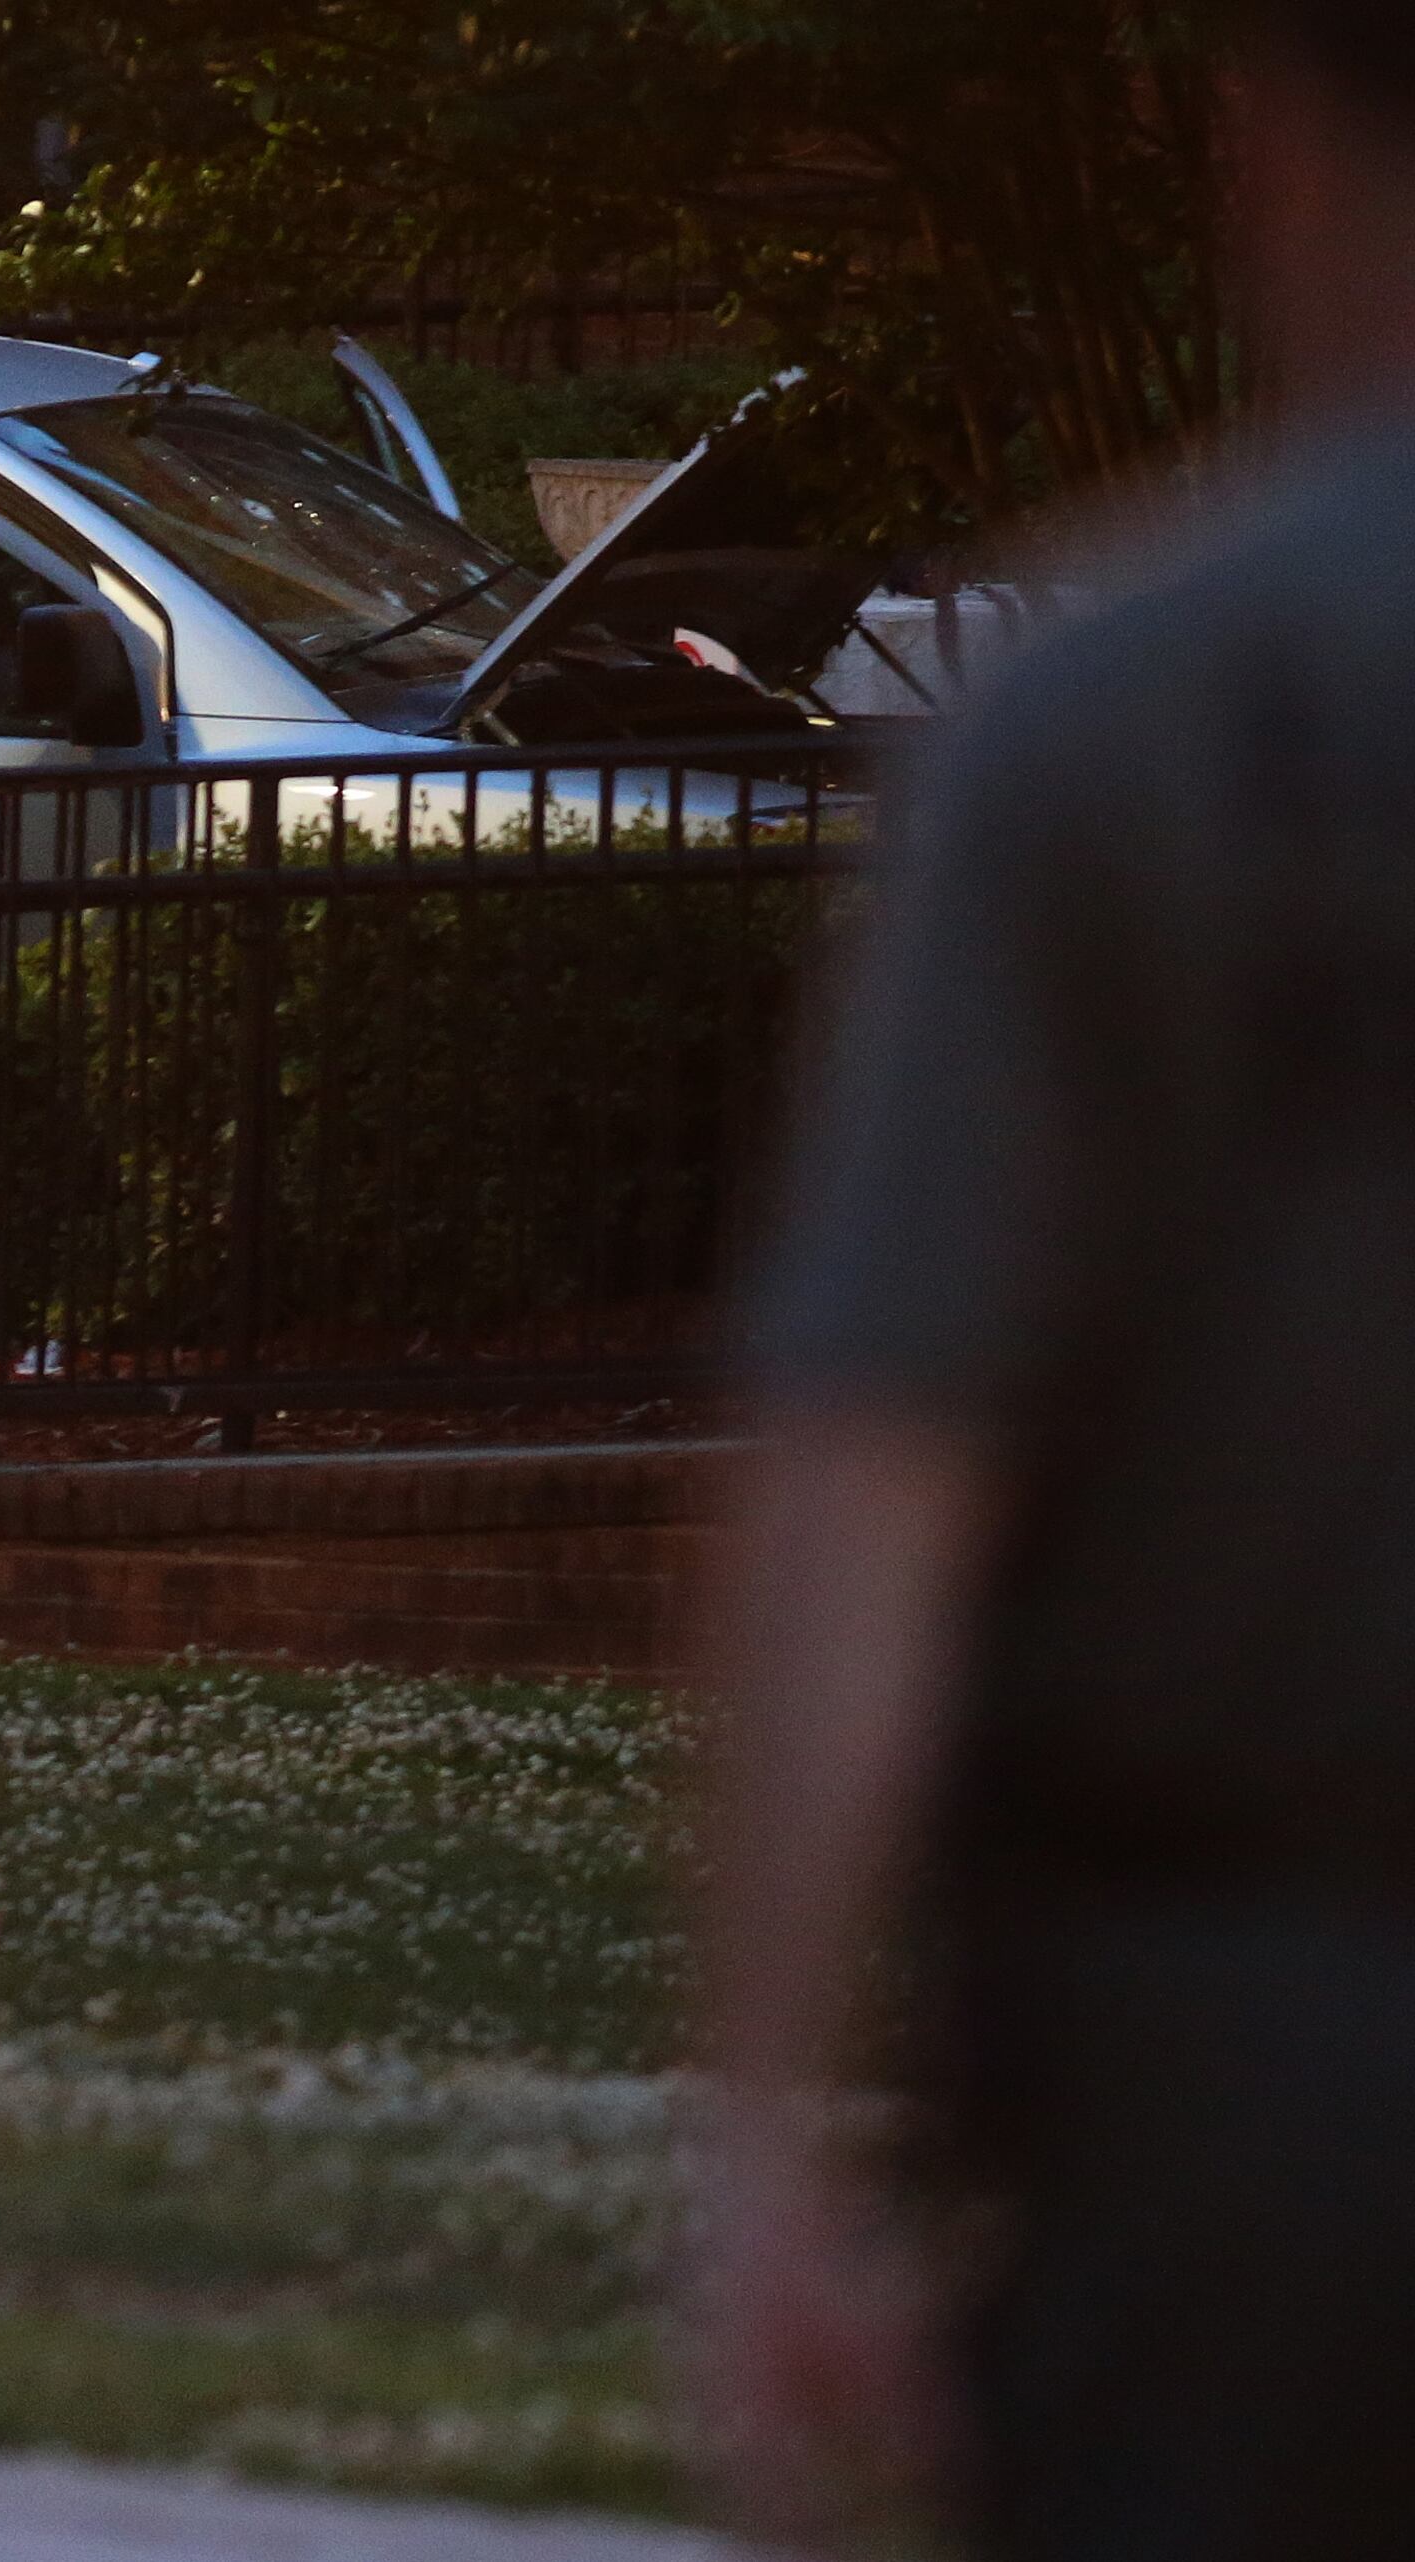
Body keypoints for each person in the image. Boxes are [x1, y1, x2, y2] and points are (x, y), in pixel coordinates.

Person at [694, 6, 1415, 2553]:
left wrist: (770, 2127)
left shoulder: (1128, 712)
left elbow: (880, 1461)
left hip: (1237, 2039)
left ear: (1278, 153)